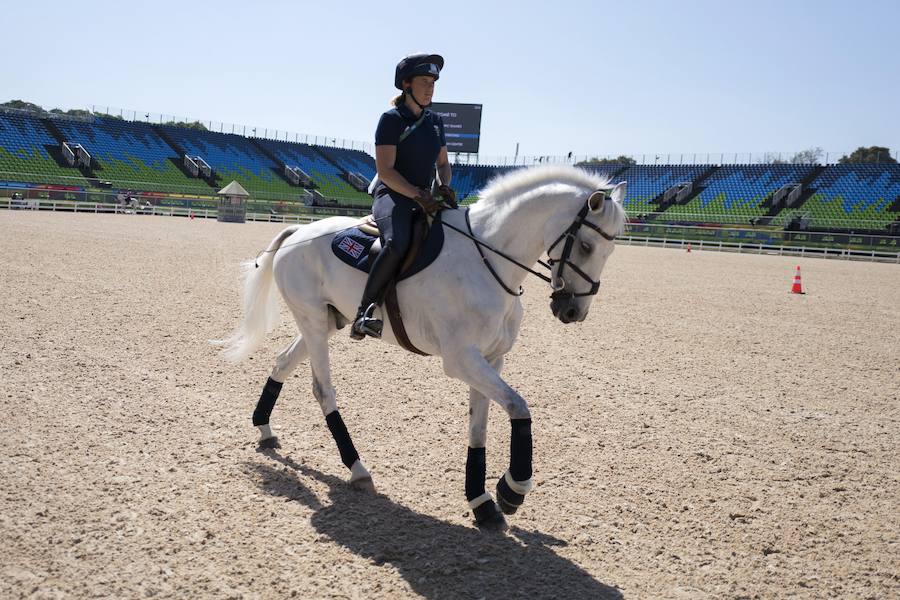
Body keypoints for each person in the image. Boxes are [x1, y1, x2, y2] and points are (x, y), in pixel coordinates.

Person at [350, 53, 457, 340]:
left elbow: (443, 164)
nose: (430, 88)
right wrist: (416, 194)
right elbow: (385, 171)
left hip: (425, 196)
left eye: (433, 82)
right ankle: (363, 313)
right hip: (393, 195)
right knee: (397, 243)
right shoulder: (391, 120)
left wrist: (444, 185)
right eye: (425, 81)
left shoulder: (436, 121)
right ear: (406, 84)